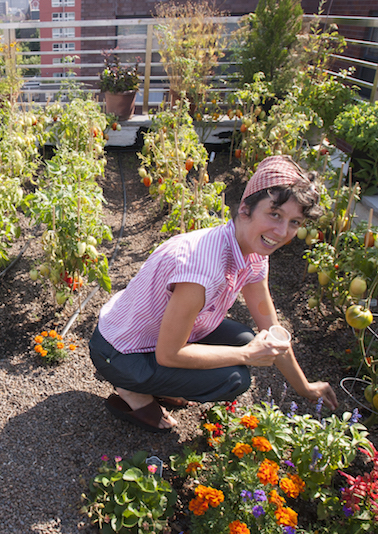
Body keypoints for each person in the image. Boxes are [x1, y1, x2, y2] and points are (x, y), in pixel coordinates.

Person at [89, 155, 339, 433]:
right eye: (275, 214)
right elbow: (169, 354)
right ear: (246, 208)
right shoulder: (203, 270)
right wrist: (246, 355)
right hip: (119, 352)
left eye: (294, 222)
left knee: (245, 338)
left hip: (152, 335)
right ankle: (131, 389)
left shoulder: (254, 252)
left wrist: (305, 388)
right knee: (234, 377)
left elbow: (271, 328)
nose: (282, 232)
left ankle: (160, 383)